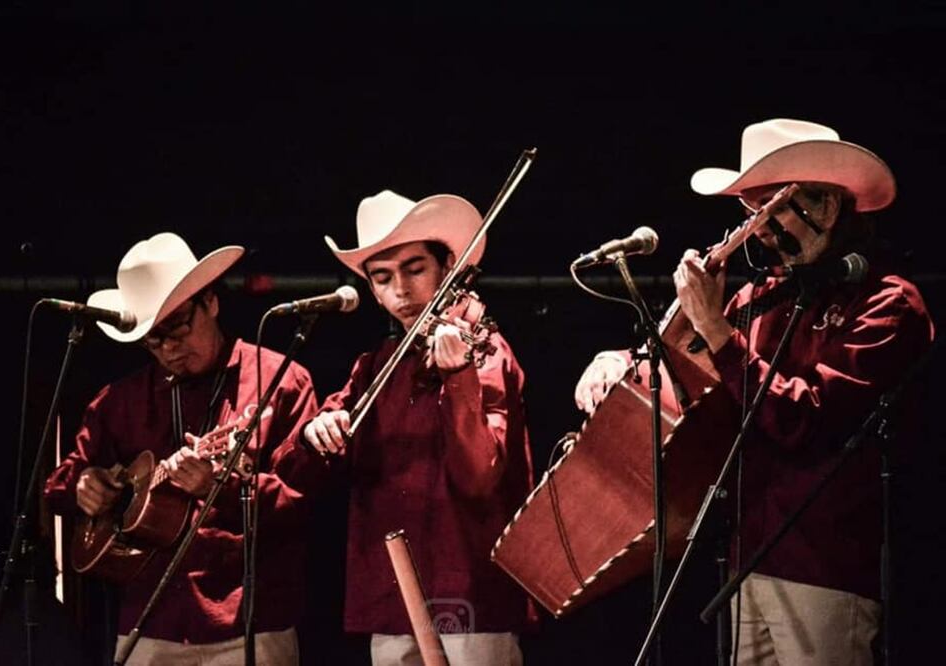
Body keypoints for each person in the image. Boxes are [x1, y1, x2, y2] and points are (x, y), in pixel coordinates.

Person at [574, 119, 935, 664]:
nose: (758, 234)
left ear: (827, 206)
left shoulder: (887, 302)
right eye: (750, 215)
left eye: (769, 211)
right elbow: (681, 370)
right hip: (744, 558)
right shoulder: (765, 297)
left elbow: (805, 421)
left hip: (825, 567)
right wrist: (620, 360)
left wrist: (718, 331)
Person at [282, 190, 536, 665]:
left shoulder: (486, 350)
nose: (401, 289)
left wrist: (459, 377)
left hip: (469, 592)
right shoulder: (374, 368)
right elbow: (296, 468)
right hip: (389, 595)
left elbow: (480, 476)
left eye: (415, 269)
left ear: (446, 269)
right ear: (373, 291)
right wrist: (319, 429)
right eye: (382, 278)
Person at [43, 232, 318, 665]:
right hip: (148, 622)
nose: (168, 348)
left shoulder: (279, 380)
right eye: (153, 339)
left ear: (211, 302)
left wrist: (220, 487)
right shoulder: (119, 400)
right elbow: (59, 484)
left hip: (248, 621)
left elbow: (302, 501)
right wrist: (83, 484)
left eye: (178, 327)